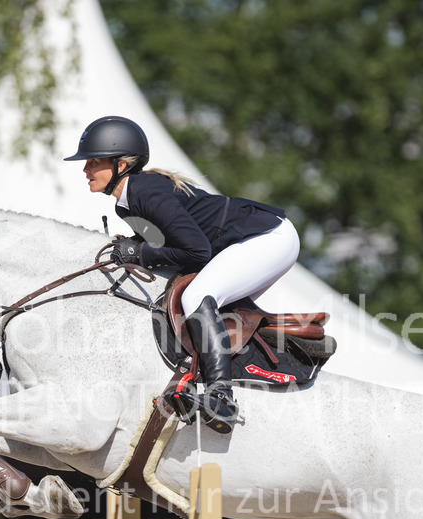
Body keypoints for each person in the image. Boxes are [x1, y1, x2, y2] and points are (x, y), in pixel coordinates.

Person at [65, 116, 300, 434]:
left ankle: (221, 397)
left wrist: (140, 252)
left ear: (121, 164)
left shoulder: (145, 194)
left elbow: (196, 252)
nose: (85, 170)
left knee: (196, 297)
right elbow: (166, 248)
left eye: (93, 161)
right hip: (244, 241)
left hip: (268, 238)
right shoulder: (126, 203)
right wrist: (136, 248)